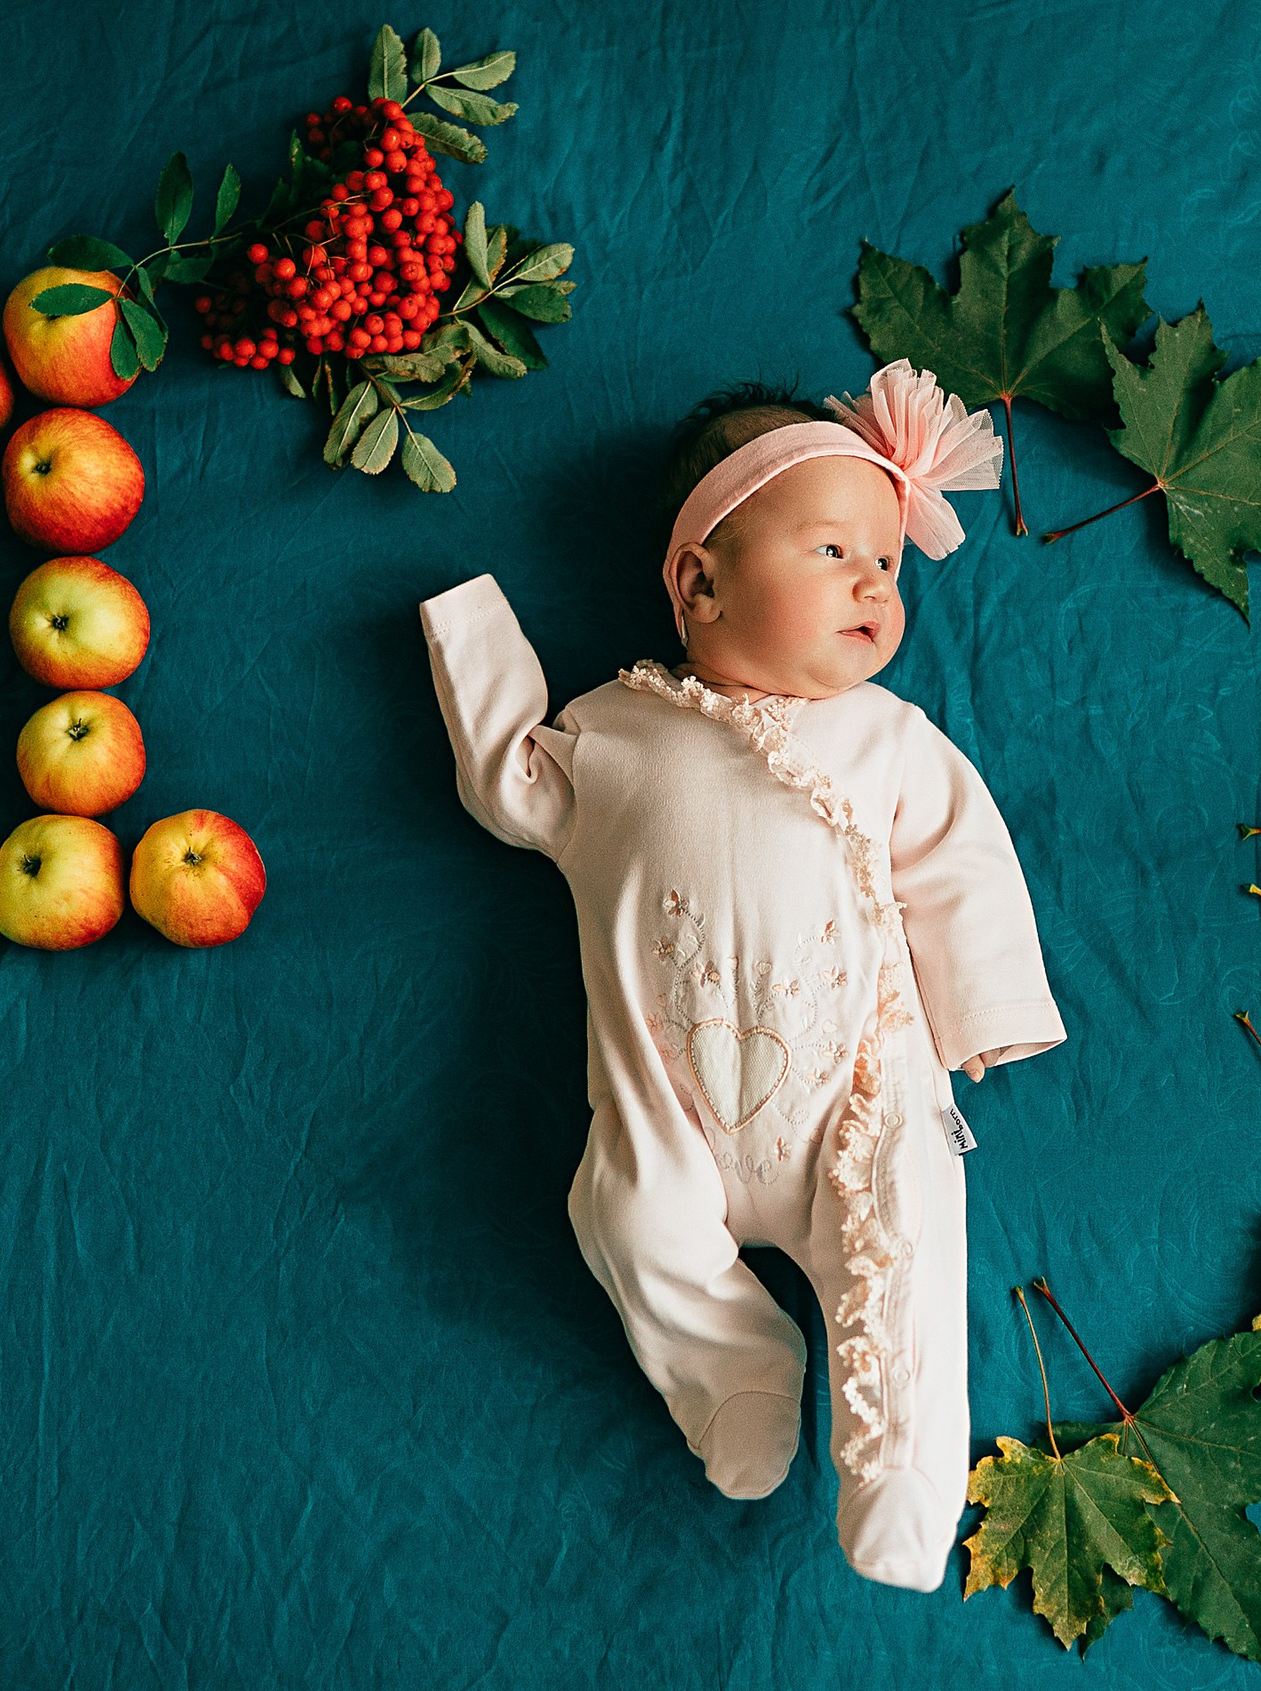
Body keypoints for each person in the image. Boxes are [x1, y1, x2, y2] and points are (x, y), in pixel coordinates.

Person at [417, 359, 1066, 1591]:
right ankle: (736, 1374)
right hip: (671, 1120)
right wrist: (469, 630)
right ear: (699, 581)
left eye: (886, 562)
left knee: (910, 1236)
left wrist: (985, 1007)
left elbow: (960, 863)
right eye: (832, 551)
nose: (876, 583)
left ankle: (900, 1471)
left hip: (855, 1103)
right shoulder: (614, 731)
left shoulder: (888, 740)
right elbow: (510, 781)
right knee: (618, 1216)